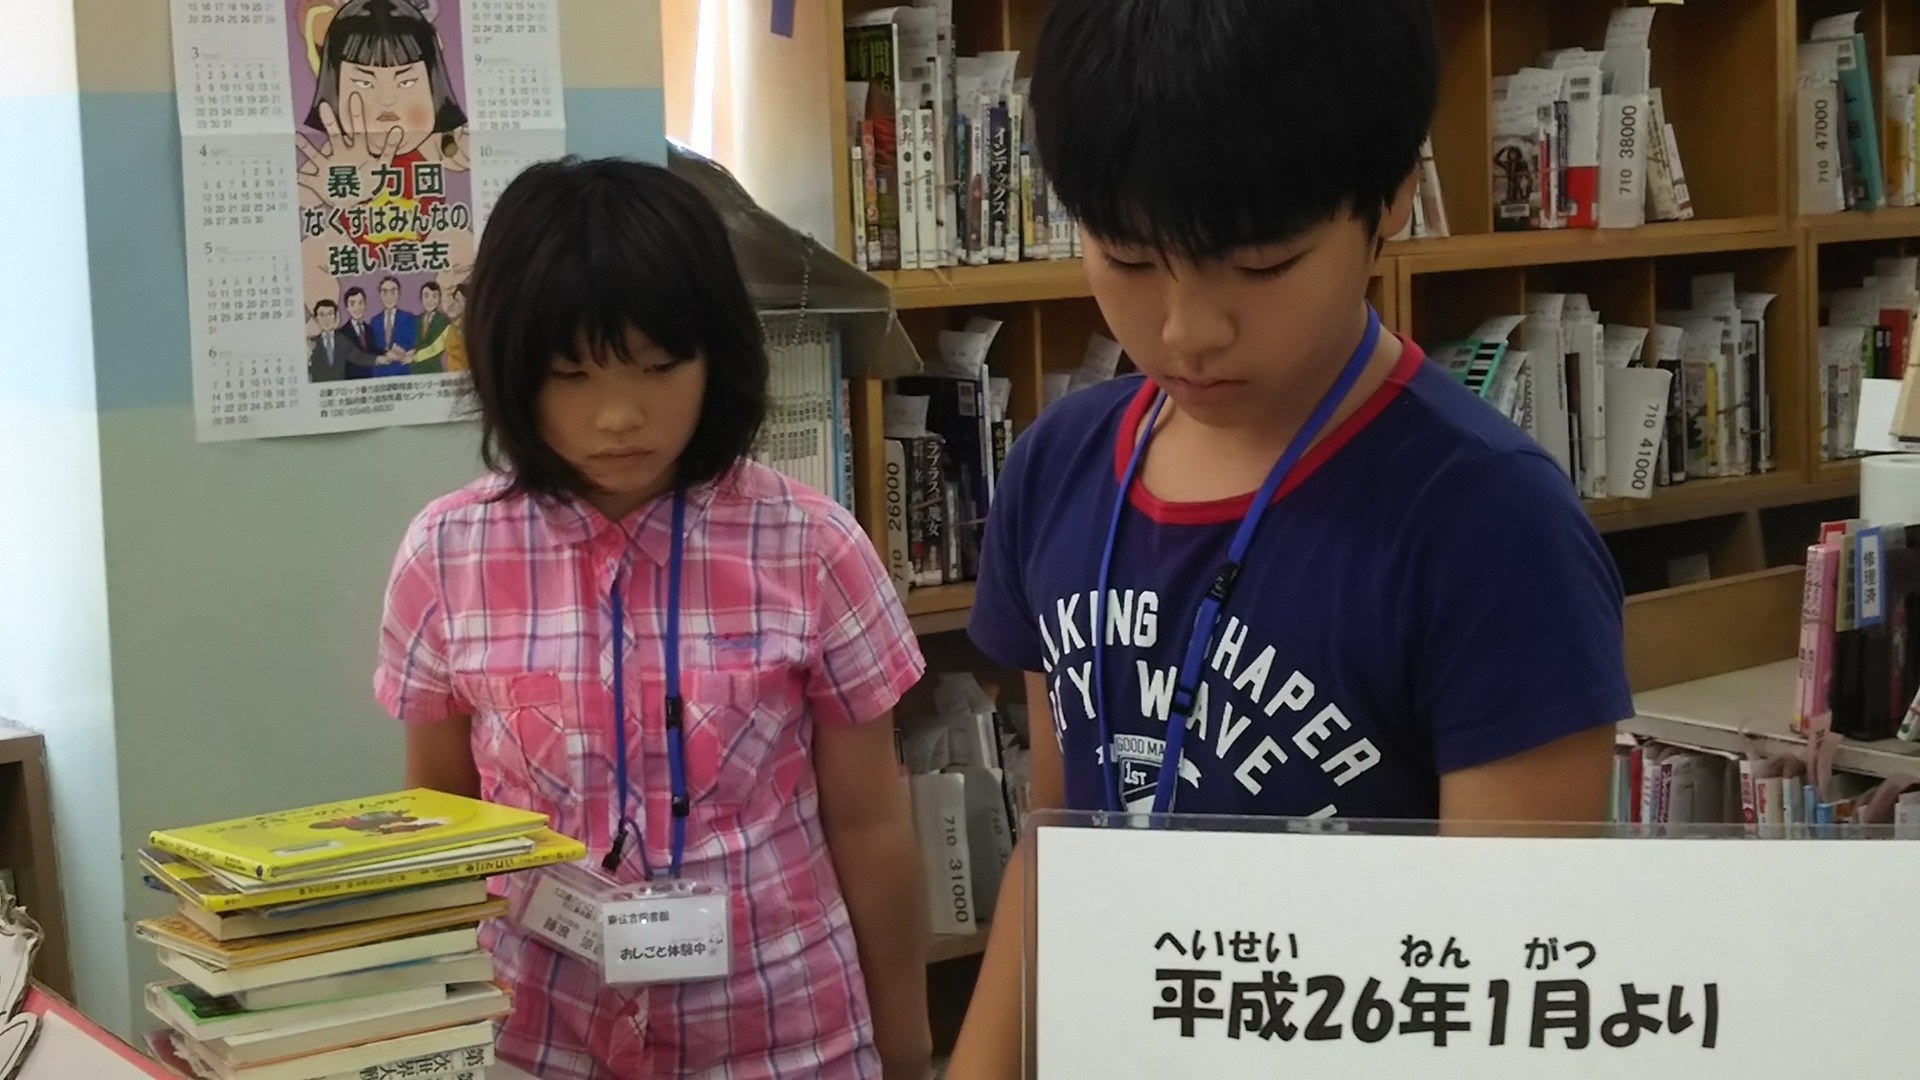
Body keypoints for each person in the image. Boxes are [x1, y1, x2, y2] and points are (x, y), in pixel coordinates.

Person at [944, 0, 1631, 1074]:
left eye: (1260, 266)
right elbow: (1063, 843)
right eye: (1127, 258)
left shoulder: (1491, 528)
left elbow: (1505, 989)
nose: (1187, 330)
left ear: (1394, 195)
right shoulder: (1058, 468)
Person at [373, 157, 932, 1080]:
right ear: (515, 372)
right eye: (572, 374)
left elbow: (870, 823)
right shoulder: (447, 554)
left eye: (658, 366)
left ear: (717, 355)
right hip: (534, 1040)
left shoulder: (813, 546)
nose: (620, 415)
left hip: (783, 1038)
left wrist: (907, 1053)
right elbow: (440, 822)